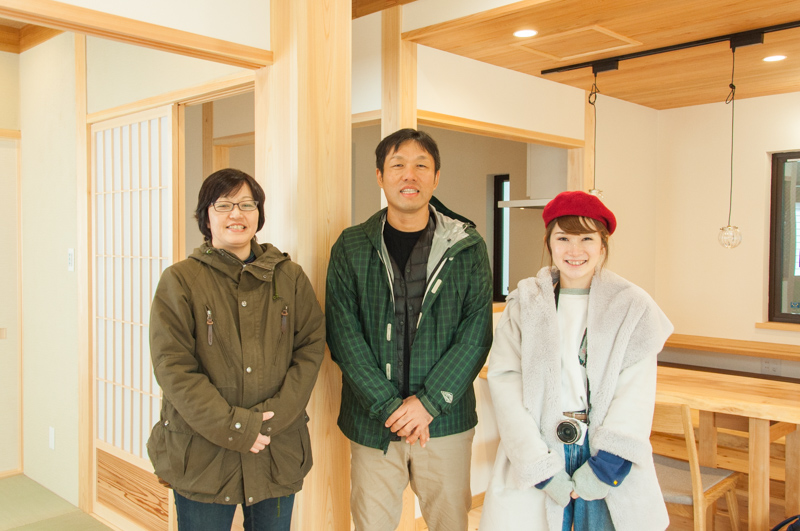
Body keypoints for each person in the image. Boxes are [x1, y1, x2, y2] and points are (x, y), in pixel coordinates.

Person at [326, 128, 493, 531]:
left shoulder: (467, 246)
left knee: (450, 524)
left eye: (421, 165)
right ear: (380, 176)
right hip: (373, 423)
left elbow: (476, 335)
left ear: (436, 178)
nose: (409, 175)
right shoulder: (351, 246)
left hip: (444, 421)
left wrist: (429, 403)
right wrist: (389, 407)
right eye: (397, 165)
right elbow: (344, 335)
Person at [479, 191, 673, 531]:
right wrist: (538, 466)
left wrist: (607, 466)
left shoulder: (632, 306)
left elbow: (635, 394)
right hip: (541, 447)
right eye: (563, 238)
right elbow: (506, 382)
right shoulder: (525, 303)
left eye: (586, 238)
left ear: (603, 245)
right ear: (549, 243)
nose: (574, 250)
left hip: (603, 451)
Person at [146, 168, 325, 531]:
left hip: (276, 448)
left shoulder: (289, 277)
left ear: (259, 214)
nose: (236, 214)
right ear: (205, 217)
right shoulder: (180, 280)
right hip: (203, 456)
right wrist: (238, 427)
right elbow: (173, 367)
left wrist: (268, 420)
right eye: (224, 205)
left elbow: (310, 348)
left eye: (247, 204)